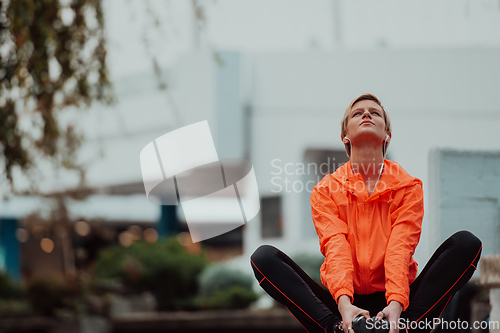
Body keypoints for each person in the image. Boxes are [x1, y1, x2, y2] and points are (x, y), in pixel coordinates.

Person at [250, 93, 482, 333]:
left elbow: (399, 248)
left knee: (467, 244)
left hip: (399, 304)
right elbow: (335, 248)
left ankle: (401, 327)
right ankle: (339, 328)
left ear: (387, 135)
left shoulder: (408, 187)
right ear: (345, 137)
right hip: (343, 304)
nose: (367, 114)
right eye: (357, 113)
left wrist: (395, 304)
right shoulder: (326, 190)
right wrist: (344, 304)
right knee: (264, 258)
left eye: (375, 113)